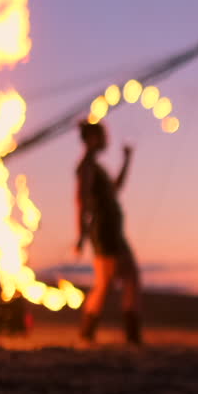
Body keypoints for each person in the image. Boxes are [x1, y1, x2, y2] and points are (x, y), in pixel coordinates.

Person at [75, 120, 142, 345]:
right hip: (105, 232)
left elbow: (116, 188)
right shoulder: (86, 168)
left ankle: (88, 331)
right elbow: (81, 202)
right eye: (103, 135)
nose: (106, 140)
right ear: (92, 139)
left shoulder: (96, 168)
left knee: (107, 282)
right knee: (123, 278)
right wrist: (81, 237)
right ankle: (129, 335)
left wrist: (127, 159)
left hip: (111, 231)